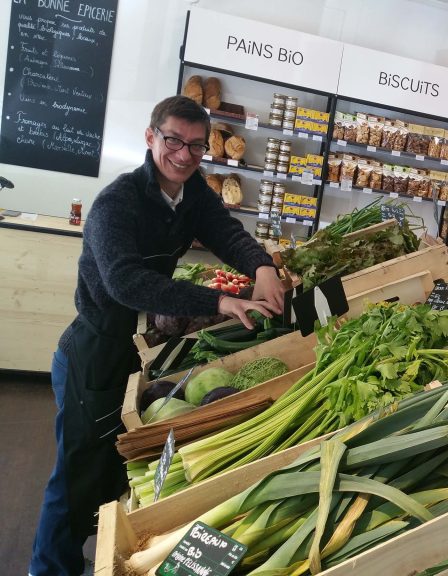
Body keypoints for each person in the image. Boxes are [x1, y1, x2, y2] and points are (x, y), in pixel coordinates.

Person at [30, 96, 286, 576]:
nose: (185, 155)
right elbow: (125, 282)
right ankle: (46, 570)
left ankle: (90, 558)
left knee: (106, 475)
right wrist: (219, 302)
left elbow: (225, 232)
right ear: (151, 138)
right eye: (173, 140)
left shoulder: (192, 195)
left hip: (125, 348)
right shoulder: (117, 202)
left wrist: (262, 265)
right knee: (73, 481)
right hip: (90, 350)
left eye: (196, 145)